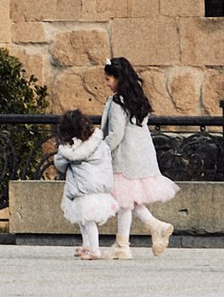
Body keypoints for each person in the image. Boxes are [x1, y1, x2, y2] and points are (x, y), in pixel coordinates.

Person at [102, 56, 179, 260]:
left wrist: (101, 150)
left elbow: (116, 134)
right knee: (127, 201)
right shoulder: (137, 100)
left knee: (124, 201)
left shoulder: (118, 102)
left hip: (123, 158)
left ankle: (127, 242)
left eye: (109, 79)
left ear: (119, 79)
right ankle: (132, 239)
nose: (107, 83)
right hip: (139, 158)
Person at [55, 105, 119, 261]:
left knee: (87, 222)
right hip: (98, 189)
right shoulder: (99, 143)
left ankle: (95, 250)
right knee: (85, 220)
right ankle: (87, 247)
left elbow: (60, 165)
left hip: (82, 189)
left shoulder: (70, 148)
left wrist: (61, 152)